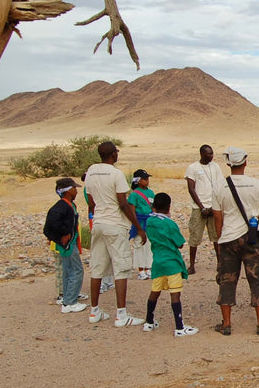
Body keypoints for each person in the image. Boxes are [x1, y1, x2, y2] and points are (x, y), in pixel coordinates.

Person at [211, 147, 259, 335]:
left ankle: (226, 324)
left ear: (228, 164)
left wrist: (220, 240)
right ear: (245, 163)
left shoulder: (219, 186)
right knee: (257, 278)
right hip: (251, 237)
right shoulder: (255, 185)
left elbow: (218, 218)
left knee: (226, 280)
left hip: (228, 239)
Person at [84, 141, 148, 327]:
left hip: (98, 222)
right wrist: (138, 227)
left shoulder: (91, 171)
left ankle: (94, 311)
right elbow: (123, 203)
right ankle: (121, 314)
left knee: (97, 267)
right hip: (115, 224)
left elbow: (91, 199)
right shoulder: (116, 174)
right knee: (121, 267)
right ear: (113, 154)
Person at [141, 193, 198, 337]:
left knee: (155, 291)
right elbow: (179, 243)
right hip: (172, 262)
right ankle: (179, 327)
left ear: (153, 207)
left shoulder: (150, 222)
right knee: (175, 293)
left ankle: (149, 321)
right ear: (169, 207)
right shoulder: (169, 224)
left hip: (158, 262)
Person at [43, 177, 87, 313]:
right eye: (74, 189)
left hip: (70, 242)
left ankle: (68, 297)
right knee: (77, 270)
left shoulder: (69, 205)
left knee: (68, 270)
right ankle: (70, 302)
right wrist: (62, 234)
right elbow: (49, 226)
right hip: (67, 244)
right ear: (67, 191)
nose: (76, 191)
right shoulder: (61, 207)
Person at [185, 144, 224, 275]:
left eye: (212, 153)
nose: (211, 156)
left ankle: (220, 263)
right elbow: (191, 189)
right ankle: (191, 265)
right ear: (202, 154)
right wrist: (202, 207)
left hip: (214, 207)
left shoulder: (216, 167)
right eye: (208, 154)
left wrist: (215, 205)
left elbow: (221, 185)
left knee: (216, 236)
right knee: (195, 237)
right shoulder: (193, 168)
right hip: (198, 208)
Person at [128, 169, 154, 280]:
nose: (147, 180)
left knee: (149, 245)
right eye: (144, 179)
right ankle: (140, 269)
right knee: (139, 244)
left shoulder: (151, 192)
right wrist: (136, 225)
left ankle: (148, 267)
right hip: (140, 221)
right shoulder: (134, 195)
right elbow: (132, 210)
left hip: (149, 220)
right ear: (138, 180)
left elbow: (153, 207)